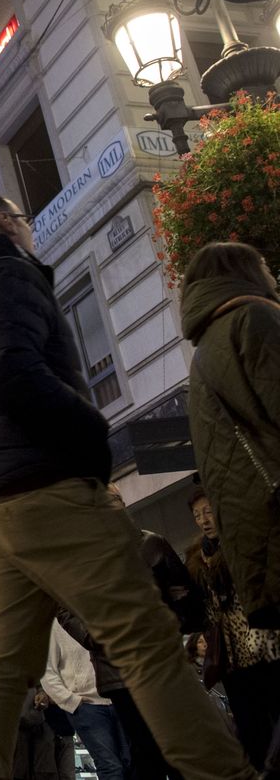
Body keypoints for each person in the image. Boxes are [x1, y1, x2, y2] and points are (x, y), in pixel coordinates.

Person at [0, 188, 256, 780]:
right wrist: (91, 434)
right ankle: (224, 774)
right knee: (144, 638)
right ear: (3, 222)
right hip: (43, 483)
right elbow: (13, 374)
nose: (27, 228)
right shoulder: (4, 272)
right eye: (21, 217)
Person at [55, 482, 203, 780]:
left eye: (115, 500)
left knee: (179, 744)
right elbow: (64, 608)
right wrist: (95, 636)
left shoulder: (152, 545)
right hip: (117, 671)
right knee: (144, 749)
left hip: (161, 663)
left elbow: (185, 599)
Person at [181, 241, 280, 631]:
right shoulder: (254, 318)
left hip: (257, 535)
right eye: (264, 265)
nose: (270, 273)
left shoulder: (205, 350)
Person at [183, 487, 280, 772]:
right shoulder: (195, 560)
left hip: (266, 649)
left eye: (209, 512)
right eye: (197, 515)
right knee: (252, 735)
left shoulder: (247, 544)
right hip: (231, 660)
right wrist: (196, 642)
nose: (204, 520)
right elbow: (195, 614)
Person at [41, 619, 128, 779]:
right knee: (110, 765)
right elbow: (47, 671)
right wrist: (71, 701)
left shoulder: (103, 614)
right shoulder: (55, 626)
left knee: (131, 762)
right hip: (87, 706)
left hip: (121, 697)